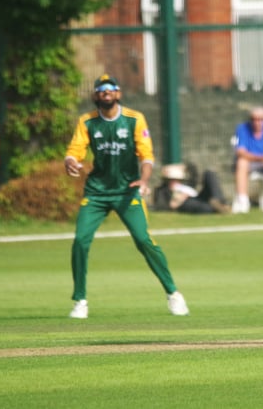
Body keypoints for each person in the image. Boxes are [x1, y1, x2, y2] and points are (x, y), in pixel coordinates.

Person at [64, 74, 189, 318]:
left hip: (127, 190)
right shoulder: (87, 122)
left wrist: (144, 180)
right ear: (95, 95)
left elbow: (146, 155)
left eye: (111, 88)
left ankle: (173, 293)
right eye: (101, 89)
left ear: (119, 93)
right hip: (97, 192)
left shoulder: (134, 119)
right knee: (80, 241)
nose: (106, 92)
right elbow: (75, 151)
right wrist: (70, 161)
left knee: (144, 240)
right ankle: (80, 301)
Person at [153, 163, 230, 214]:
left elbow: (194, 173)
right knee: (204, 207)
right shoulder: (162, 191)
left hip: (198, 197)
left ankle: (218, 201)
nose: (174, 182)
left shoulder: (185, 185)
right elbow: (160, 206)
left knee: (209, 173)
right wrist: (176, 201)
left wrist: (184, 166)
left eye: (177, 179)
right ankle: (216, 208)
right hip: (185, 203)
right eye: (171, 180)